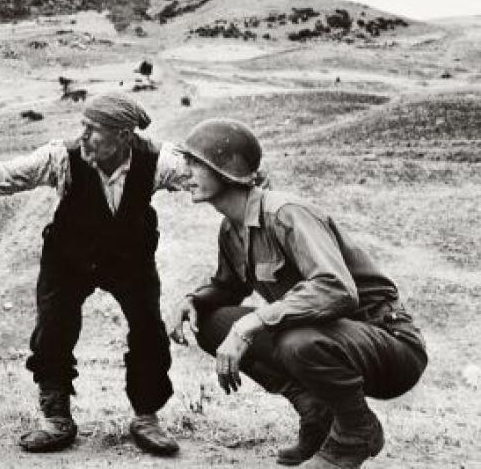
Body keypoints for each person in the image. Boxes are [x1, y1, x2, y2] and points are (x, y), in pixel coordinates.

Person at [0, 92, 189, 456]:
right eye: (82, 126)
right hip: (69, 257)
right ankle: (57, 419)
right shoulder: (61, 157)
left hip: (129, 258)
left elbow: (206, 174)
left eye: (93, 130)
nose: (83, 136)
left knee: (148, 330)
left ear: (124, 135)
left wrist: (244, 181)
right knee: (53, 329)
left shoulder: (158, 160)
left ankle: (146, 418)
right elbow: (7, 175)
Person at [169, 118, 427, 468]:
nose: (184, 172)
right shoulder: (232, 229)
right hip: (328, 339)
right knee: (212, 322)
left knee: (296, 341)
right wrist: (193, 301)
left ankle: (356, 432)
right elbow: (229, 287)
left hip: (389, 344)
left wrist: (251, 324)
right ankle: (317, 414)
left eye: (194, 163)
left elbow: (336, 289)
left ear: (226, 170)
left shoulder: (285, 214)